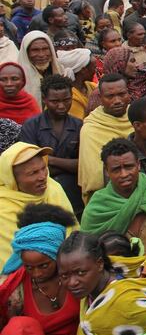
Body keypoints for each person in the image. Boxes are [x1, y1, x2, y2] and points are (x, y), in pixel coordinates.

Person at [57, 231, 146, 335]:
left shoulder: (125, 304)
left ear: (100, 264)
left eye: (81, 272)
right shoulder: (90, 288)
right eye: (64, 276)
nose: (72, 282)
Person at [80, 138, 146, 253]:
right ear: (107, 171)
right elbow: (88, 253)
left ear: (138, 165)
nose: (124, 174)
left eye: (129, 166)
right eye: (116, 169)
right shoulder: (96, 207)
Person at [0, 204, 78, 335]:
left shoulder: (79, 275)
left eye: (44, 266)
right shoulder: (13, 291)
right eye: (29, 267)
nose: (37, 274)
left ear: (57, 255)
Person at [0, 142, 73, 267]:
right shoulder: (3, 208)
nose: (43, 176)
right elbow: (13, 259)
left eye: (43, 168)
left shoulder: (53, 188)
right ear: (12, 179)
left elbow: (73, 233)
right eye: (33, 173)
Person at [19, 75, 82, 215]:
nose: (61, 105)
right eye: (55, 101)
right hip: (40, 193)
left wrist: (48, 159)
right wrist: (68, 166)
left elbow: (82, 165)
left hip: (73, 194)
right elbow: (30, 166)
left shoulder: (79, 125)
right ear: (44, 99)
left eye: (66, 100)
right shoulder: (31, 126)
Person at [78, 74, 135, 204]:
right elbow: (94, 178)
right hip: (106, 200)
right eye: (110, 96)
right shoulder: (91, 129)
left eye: (122, 94)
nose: (117, 100)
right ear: (101, 98)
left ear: (128, 94)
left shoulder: (137, 118)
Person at [17, 31, 65, 107]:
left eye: (45, 49)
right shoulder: (17, 76)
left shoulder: (60, 70)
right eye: (35, 50)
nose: (41, 55)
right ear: (27, 53)